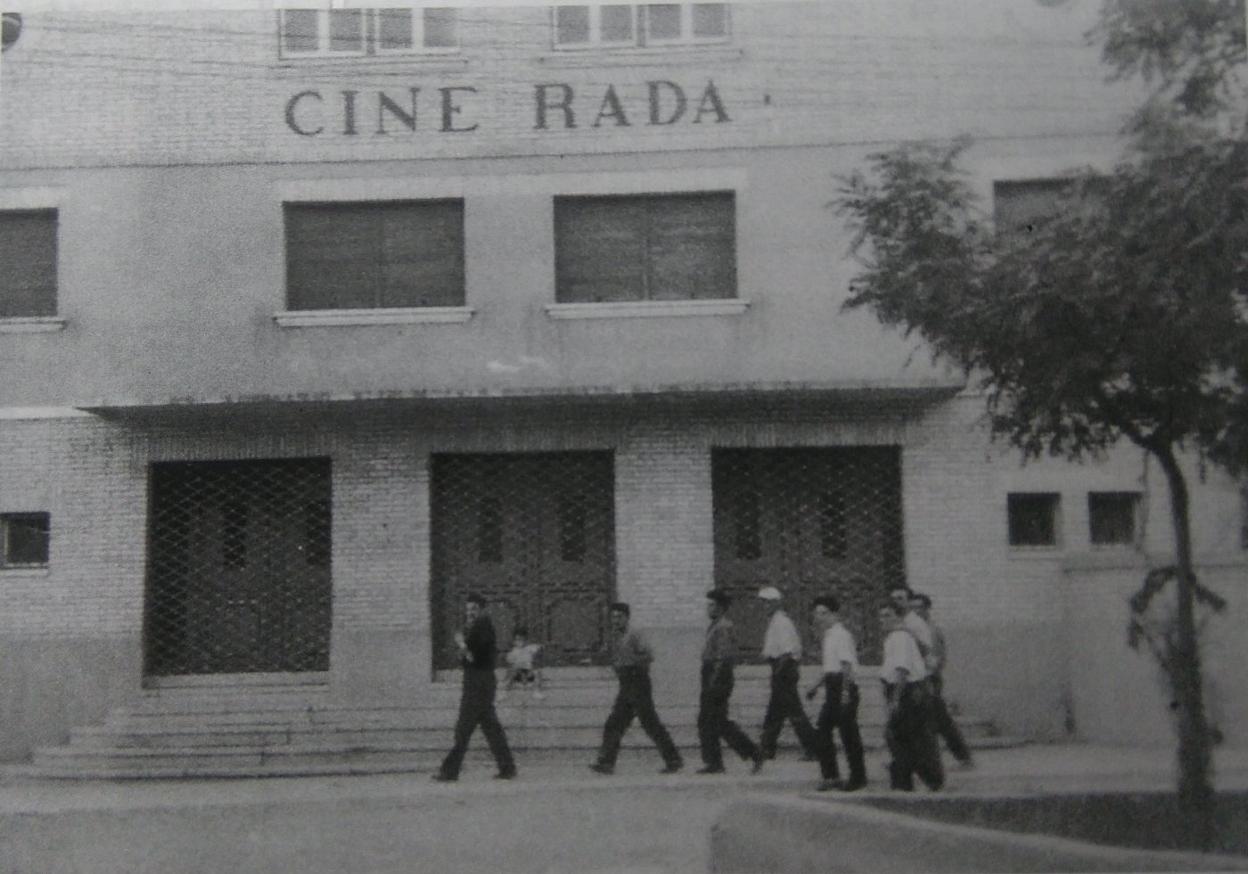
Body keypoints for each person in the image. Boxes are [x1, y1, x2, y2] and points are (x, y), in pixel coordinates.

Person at [589, 602, 683, 775]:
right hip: (626, 684)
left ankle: (674, 760)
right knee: (614, 723)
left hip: (638, 682)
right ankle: (606, 762)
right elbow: (609, 655)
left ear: (627, 618)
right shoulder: (614, 637)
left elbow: (649, 655)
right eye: (613, 617)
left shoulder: (635, 635)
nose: (616, 621)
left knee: (650, 723)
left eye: (619, 617)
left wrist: (629, 662)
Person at [434, 594, 517, 782]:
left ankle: (449, 771)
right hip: (482, 682)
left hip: (477, 684)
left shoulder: (483, 628)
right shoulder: (480, 627)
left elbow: (474, 658)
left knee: (463, 728)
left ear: (482, 610)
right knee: (491, 728)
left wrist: (461, 643)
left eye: (474, 609)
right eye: (468, 609)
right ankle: (507, 767)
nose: (469, 613)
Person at [697, 589, 765, 775]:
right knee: (712, 721)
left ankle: (752, 753)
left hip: (718, 676)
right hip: (712, 674)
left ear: (719, 607)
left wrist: (713, 681)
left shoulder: (723, 627)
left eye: (711, 605)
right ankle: (716, 762)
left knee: (714, 721)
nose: (708, 608)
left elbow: (724, 657)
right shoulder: (715, 625)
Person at [879, 601, 943, 792]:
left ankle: (924, 777)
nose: (882, 620)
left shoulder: (899, 637)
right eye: (881, 616)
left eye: (887, 615)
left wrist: (895, 700)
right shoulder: (895, 637)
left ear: (899, 617)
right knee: (904, 739)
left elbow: (902, 670)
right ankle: (908, 779)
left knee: (898, 738)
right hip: (904, 691)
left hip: (906, 692)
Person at [805, 594, 866, 792]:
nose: (819, 617)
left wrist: (846, 693)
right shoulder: (829, 636)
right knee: (822, 730)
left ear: (834, 614)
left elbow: (846, 665)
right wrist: (815, 686)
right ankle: (831, 776)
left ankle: (858, 777)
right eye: (816, 614)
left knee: (849, 735)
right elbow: (829, 668)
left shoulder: (841, 635)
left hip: (843, 687)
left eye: (823, 613)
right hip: (832, 687)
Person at [756, 586, 820, 761]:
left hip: (784, 670)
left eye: (767, 603)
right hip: (780, 669)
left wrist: (777, 673)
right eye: (762, 603)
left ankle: (813, 748)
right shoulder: (775, 622)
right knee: (776, 711)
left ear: (776, 603)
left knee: (793, 712)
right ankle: (767, 748)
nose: (764, 607)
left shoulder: (782, 623)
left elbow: (787, 652)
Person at [911, 592, 973, 767]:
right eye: (913, 608)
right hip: (918, 680)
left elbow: (937, 658)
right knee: (929, 720)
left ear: (927, 609)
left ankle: (961, 755)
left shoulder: (931, 631)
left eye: (919, 608)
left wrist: (928, 678)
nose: (916, 611)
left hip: (929, 680)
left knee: (939, 720)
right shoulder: (914, 629)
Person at [501, 625, 544, 700]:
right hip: (518, 673)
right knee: (512, 671)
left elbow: (539, 649)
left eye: (521, 639)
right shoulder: (513, 651)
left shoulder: (530, 648)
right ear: (514, 641)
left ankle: (537, 691)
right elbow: (510, 664)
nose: (519, 642)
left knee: (537, 672)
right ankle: (504, 692)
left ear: (526, 640)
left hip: (529, 672)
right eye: (517, 640)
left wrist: (539, 648)